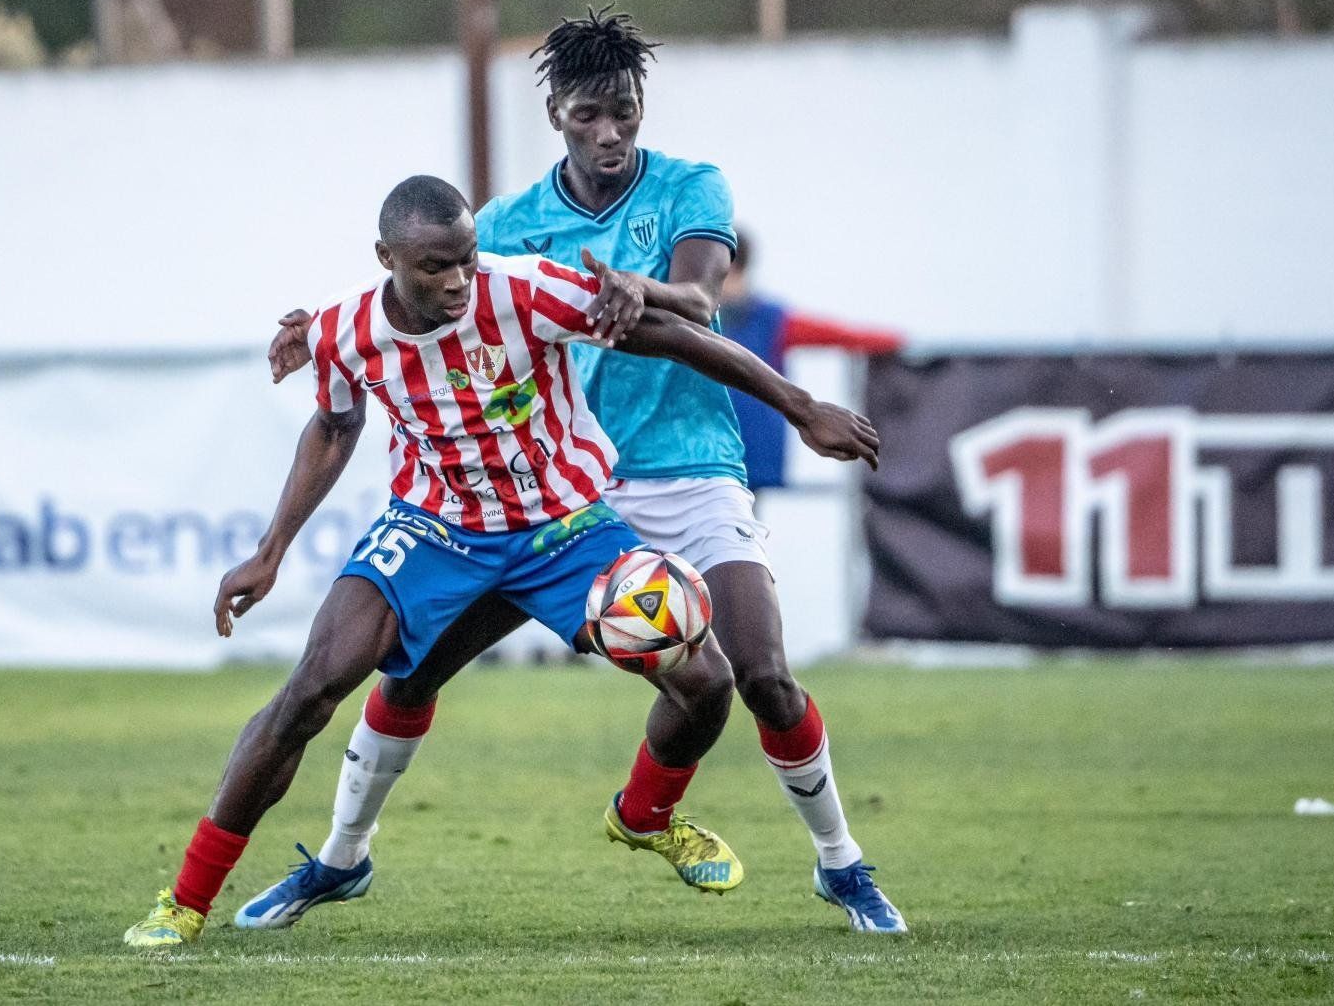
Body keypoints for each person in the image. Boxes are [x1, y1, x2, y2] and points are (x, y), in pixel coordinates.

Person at [261, 8, 907, 934]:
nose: (610, 135)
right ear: (557, 113)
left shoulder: (690, 186)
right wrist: (319, 327)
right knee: (409, 677)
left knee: (761, 672)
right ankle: (339, 858)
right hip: (560, 495)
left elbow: (697, 302)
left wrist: (766, 384)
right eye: (588, 117)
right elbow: (422, 302)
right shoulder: (510, 224)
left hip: (690, 468)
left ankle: (836, 864)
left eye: (625, 115)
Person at [123, 175, 878, 947]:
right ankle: (185, 901)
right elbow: (333, 422)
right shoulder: (342, 330)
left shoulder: (523, 291)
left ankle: (644, 817)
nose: (457, 281)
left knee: (711, 682)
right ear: (385, 258)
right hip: (434, 529)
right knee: (310, 691)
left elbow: (678, 335)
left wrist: (800, 404)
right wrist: (269, 551)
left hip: (565, 530)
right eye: (433, 268)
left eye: (467, 259)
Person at [719, 228, 904, 491]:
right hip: (703, 451)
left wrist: (896, 342)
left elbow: (838, 335)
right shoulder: (692, 316)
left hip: (753, 455)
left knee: (743, 526)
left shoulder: (771, 320)